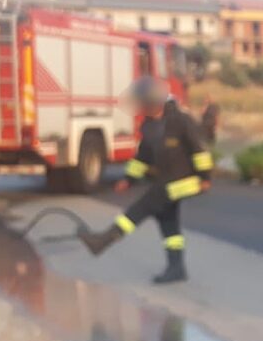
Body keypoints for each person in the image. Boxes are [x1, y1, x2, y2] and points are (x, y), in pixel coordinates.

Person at [77, 77, 213, 284]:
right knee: (168, 223)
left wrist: (205, 177)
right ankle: (176, 267)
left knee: (141, 208)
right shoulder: (149, 126)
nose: (139, 106)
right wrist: (129, 179)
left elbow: (200, 151)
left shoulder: (180, 121)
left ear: (152, 101)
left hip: (185, 181)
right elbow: (143, 157)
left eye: (141, 101)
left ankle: (103, 241)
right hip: (165, 181)